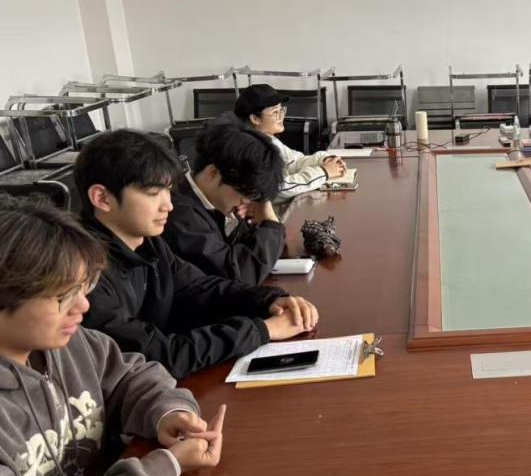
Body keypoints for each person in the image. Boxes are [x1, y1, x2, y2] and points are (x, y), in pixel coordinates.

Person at [0, 194, 226, 476]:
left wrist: (168, 413)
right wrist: (162, 468)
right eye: (62, 296)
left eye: (84, 287)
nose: (83, 306)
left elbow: (132, 377)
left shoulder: (72, 344)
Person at [74, 130, 318, 380]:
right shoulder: (81, 274)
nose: (168, 205)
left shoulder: (149, 244)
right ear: (102, 198)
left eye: (168, 190)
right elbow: (155, 355)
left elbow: (200, 288)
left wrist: (267, 300)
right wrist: (261, 330)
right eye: (153, 193)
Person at [163, 126, 286, 285]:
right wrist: (270, 222)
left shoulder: (212, 204)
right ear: (213, 173)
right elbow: (240, 275)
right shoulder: (180, 215)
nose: (247, 201)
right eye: (244, 193)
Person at [219, 83, 347, 201]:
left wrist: (325, 160)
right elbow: (279, 188)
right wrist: (324, 172)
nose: (281, 116)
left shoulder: (269, 139)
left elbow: (294, 162)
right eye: (275, 112)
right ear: (255, 118)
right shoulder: (250, 149)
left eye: (281, 110)